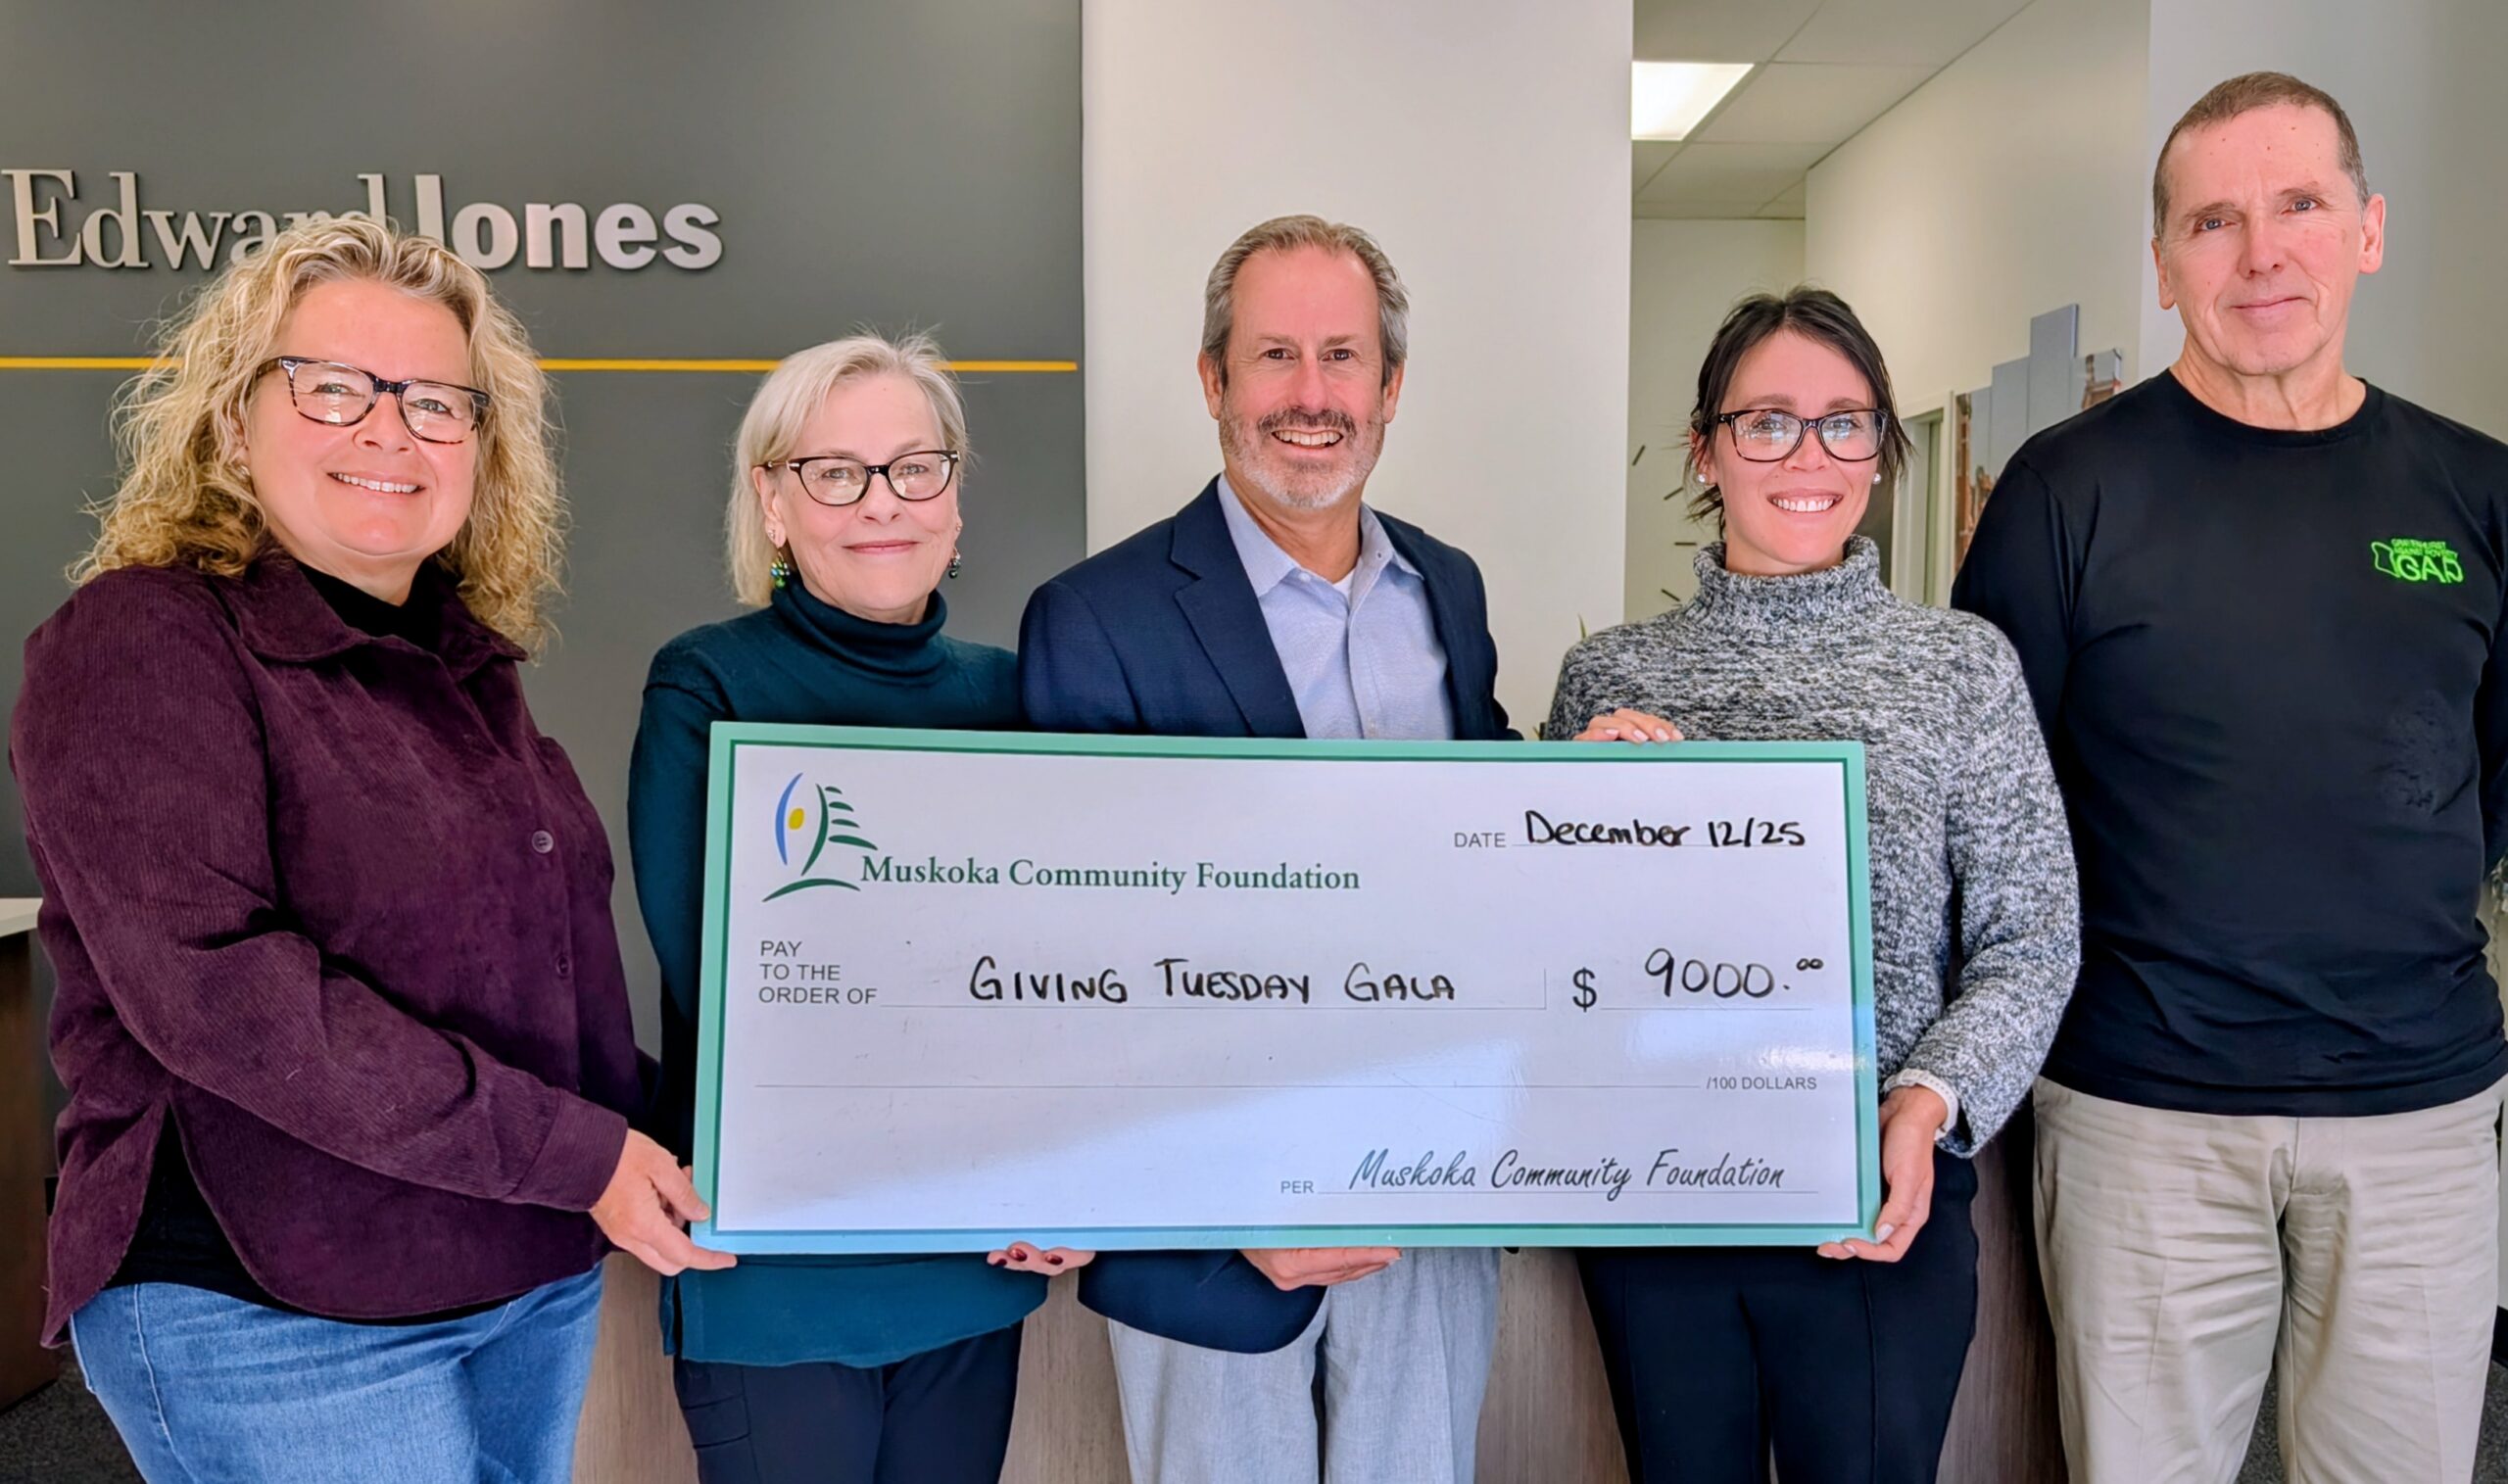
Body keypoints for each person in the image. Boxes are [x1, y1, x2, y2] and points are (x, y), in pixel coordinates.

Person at [9, 215, 721, 1484]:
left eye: (438, 402)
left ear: (480, 449)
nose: (390, 429)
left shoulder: (464, 666)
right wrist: (583, 1153)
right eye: (333, 387)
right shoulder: (143, 640)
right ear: (233, 422)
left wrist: (747, 1130)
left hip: (517, 1271)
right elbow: (227, 996)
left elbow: (552, 1005)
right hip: (280, 1304)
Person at [1953, 71, 2508, 1484]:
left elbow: (2490, 785)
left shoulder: (2475, 492)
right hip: (2145, 1109)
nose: (2261, 254)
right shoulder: (2065, 490)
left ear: (2368, 229)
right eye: (2213, 220)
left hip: (2419, 1113)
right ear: (2163, 262)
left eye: (2301, 206)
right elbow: (1993, 790)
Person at [1551, 287, 2079, 1483]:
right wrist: (1563, 816)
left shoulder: (1959, 667)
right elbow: (1551, 971)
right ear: (1705, 447)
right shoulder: (1607, 676)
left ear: (1882, 451)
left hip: (1873, 1201)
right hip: (1655, 1196)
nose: (1810, 456)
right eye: (1768, 421)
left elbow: (2031, 937)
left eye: (1846, 423)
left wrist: (1930, 1101)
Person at [1018, 214, 1510, 1484]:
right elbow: (1079, 957)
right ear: (1213, 380)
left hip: (1431, 1182)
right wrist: (1223, 1202)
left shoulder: (1448, 590)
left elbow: (1491, 844)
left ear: (1390, 386)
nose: (1311, 395)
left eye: (1343, 357)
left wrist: (1600, 787)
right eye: (1274, 355)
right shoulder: (1096, 617)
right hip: (1218, 1222)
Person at [629, 332, 1051, 1482]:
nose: (883, 503)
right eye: (835, 472)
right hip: (776, 1262)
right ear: (772, 502)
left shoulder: (1015, 695)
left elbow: (1061, 979)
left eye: (915, 467)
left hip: (970, 1256)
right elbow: (714, 971)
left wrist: (1071, 1171)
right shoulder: (706, 682)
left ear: (954, 496)